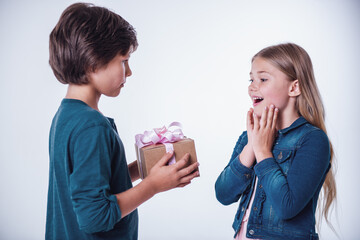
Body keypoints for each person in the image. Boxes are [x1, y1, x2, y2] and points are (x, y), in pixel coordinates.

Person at [46, 3, 199, 240]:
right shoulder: (91, 126)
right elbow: (94, 216)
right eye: (123, 60)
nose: (129, 72)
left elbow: (91, 186)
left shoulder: (66, 116)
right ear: (92, 61)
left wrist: (141, 169)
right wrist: (153, 186)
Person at [215, 43, 336, 240]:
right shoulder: (249, 137)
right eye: (251, 79)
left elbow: (286, 207)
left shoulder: (312, 140)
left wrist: (262, 152)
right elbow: (223, 194)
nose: (251, 87)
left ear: (294, 87)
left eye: (262, 79)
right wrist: (251, 146)